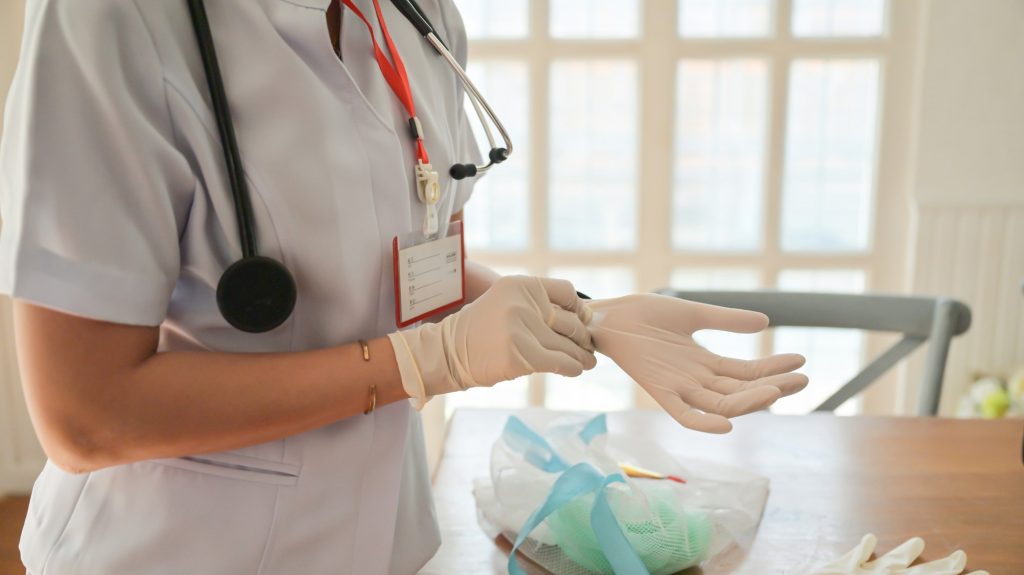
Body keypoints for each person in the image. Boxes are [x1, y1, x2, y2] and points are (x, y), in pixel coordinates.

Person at [0, 0, 807, 573]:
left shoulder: (417, 19)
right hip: (173, 552)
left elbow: (404, 269)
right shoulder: (110, 19)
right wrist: (421, 363)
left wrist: (587, 319)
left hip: (379, 541)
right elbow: (87, 413)